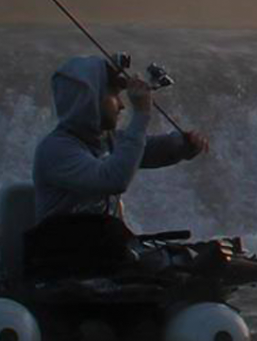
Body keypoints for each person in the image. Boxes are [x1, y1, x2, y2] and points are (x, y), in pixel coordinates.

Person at [33, 55, 211, 223]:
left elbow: (147, 150)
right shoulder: (56, 149)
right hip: (63, 252)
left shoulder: (104, 140)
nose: (122, 105)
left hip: (102, 245)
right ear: (89, 99)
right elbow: (113, 180)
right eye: (114, 95)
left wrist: (182, 145)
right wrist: (141, 115)